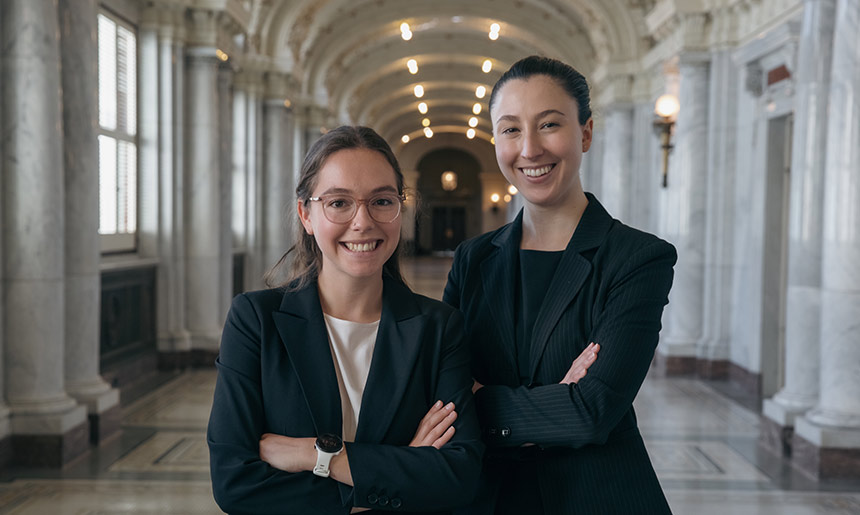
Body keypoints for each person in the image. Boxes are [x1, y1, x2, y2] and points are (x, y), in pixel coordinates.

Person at [208, 125, 484, 515]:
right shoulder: (256, 320)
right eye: (339, 203)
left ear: (400, 211)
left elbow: (458, 476)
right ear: (306, 213)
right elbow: (234, 483)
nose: (363, 222)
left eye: (382, 202)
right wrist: (396, 472)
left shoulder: (439, 328)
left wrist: (319, 457)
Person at [444, 56, 677, 514]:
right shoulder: (473, 258)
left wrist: (480, 402)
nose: (529, 149)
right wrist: (555, 405)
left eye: (549, 125)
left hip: (596, 496)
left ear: (585, 133)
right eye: (510, 129)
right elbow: (439, 394)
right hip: (483, 496)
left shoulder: (637, 258)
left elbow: (591, 413)